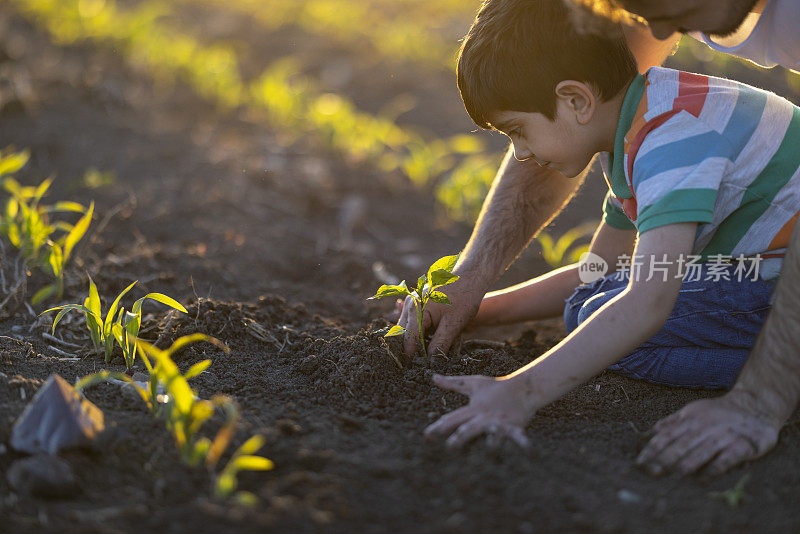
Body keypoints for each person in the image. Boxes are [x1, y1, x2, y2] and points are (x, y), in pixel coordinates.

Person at [396, 0, 800, 474]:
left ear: (577, 101)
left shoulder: (673, 140)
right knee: (592, 305)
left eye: (516, 131)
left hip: (776, 280)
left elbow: (648, 302)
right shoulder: (640, 123)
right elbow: (599, 273)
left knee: (628, 335)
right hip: (762, 270)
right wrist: (481, 309)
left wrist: (519, 391)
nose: (519, 153)